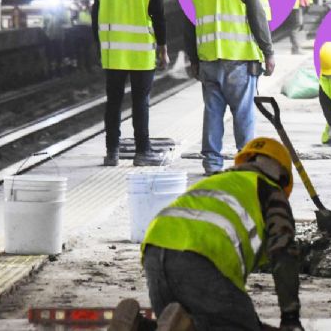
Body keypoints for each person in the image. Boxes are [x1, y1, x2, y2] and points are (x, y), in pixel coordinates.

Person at [110, 137, 303, 331]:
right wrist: (290, 317)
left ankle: (137, 326)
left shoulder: (216, 180)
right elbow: (283, 254)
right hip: (201, 257)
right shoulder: (270, 191)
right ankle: (189, 327)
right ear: (281, 175)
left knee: (173, 323)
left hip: (155, 250)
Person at [185, 0, 275, 175]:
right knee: (243, 113)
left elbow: (190, 23)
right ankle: (246, 162)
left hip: (208, 61)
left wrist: (192, 59)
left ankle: (212, 163)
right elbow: (258, 19)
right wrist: (268, 52)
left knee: (213, 112)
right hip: (239, 60)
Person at [93, 0, 168, 167]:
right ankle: (142, 151)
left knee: (113, 102)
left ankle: (112, 152)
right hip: (141, 56)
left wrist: (100, 48)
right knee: (140, 103)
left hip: (113, 54)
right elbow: (159, 19)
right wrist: (163, 49)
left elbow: (95, 20)